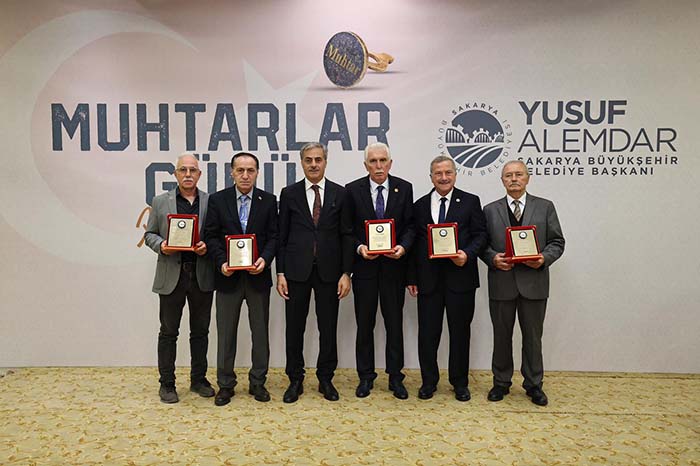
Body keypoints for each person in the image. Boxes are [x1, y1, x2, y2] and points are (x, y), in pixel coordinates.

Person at [480, 160, 565, 406]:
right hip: (502, 282)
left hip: (534, 284)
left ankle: (534, 385)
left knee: (533, 338)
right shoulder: (489, 210)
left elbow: (557, 242)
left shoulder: (545, 207)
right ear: (502, 180)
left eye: (518, 174)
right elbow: (482, 244)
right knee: (501, 337)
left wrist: (543, 259)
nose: (514, 179)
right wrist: (492, 258)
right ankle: (501, 382)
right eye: (508, 175)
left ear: (527, 178)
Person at [276, 142, 353, 403]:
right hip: (296, 272)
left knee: (328, 327)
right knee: (294, 328)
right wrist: (280, 273)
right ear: (302, 163)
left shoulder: (340, 193)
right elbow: (282, 236)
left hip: (330, 273)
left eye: (318, 159)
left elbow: (347, 235)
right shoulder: (289, 193)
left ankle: (325, 378)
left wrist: (346, 273)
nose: (313, 164)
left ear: (325, 162)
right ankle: (295, 379)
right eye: (308, 160)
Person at [407, 155, 487, 401]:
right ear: (431, 177)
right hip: (428, 280)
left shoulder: (471, 201)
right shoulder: (419, 205)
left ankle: (459, 383)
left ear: (455, 174)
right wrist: (411, 277)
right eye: (438, 173)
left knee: (460, 333)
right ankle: (428, 382)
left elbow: (481, 235)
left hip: (461, 279)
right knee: (427, 334)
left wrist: (467, 254)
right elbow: (414, 243)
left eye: (448, 173)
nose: (443, 177)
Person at [203, 152, 278, 406]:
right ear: (232, 172)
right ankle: (225, 384)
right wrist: (221, 262)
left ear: (257, 173)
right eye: (240, 170)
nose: (245, 175)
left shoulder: (269, 201)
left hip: (258, 277)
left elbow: (274, 236)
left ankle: (258, 382)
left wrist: (265, 259)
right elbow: (211, 236)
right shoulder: (218, 200)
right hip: (228, 277)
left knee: (260, 333)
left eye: (250, 170)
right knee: (226, 334)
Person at [345, 142, 414, 399]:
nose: (378, 166)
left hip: (394, 269)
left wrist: (403, 247)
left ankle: (396, 377)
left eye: (383, 160)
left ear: (390, 163)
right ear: (366, 165)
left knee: (394, 325)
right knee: (365, 324)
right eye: (373, 161)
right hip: (364, 269)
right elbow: (347, 230)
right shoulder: (352, 190)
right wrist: (360, 248)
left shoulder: (404, 188)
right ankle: (366, 377)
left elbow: (410, 226)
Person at [144, 153, 215, 403]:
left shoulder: (210, 202)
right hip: (172, 274)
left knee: (200, 332)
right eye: (183, 170)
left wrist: (208, 246)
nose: (187, 174)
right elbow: (150, 234)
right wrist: (162, 246)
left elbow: (216, 235)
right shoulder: (160, 201)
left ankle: (198, 380)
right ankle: (167, 384)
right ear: (175, 174)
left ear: (199, 174)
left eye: (192, 170)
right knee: (168, 332)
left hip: (201, 274)